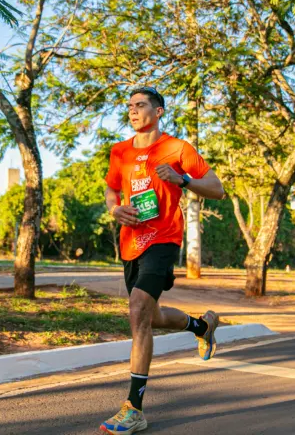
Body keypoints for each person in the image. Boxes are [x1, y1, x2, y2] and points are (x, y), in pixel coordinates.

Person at [100, 86, 225, 434]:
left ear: (158, 112)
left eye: (140, 105)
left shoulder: (177, 148)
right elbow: (111, 188)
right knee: (150, 316)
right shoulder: (120, 152)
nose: (133, 111)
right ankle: (202, 326)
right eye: (129, 106)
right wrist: (114, 208)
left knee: (138, 309)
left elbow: (216, 187)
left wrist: (183, 179)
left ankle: (134, 408)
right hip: (130, 243)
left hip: (164, 238)